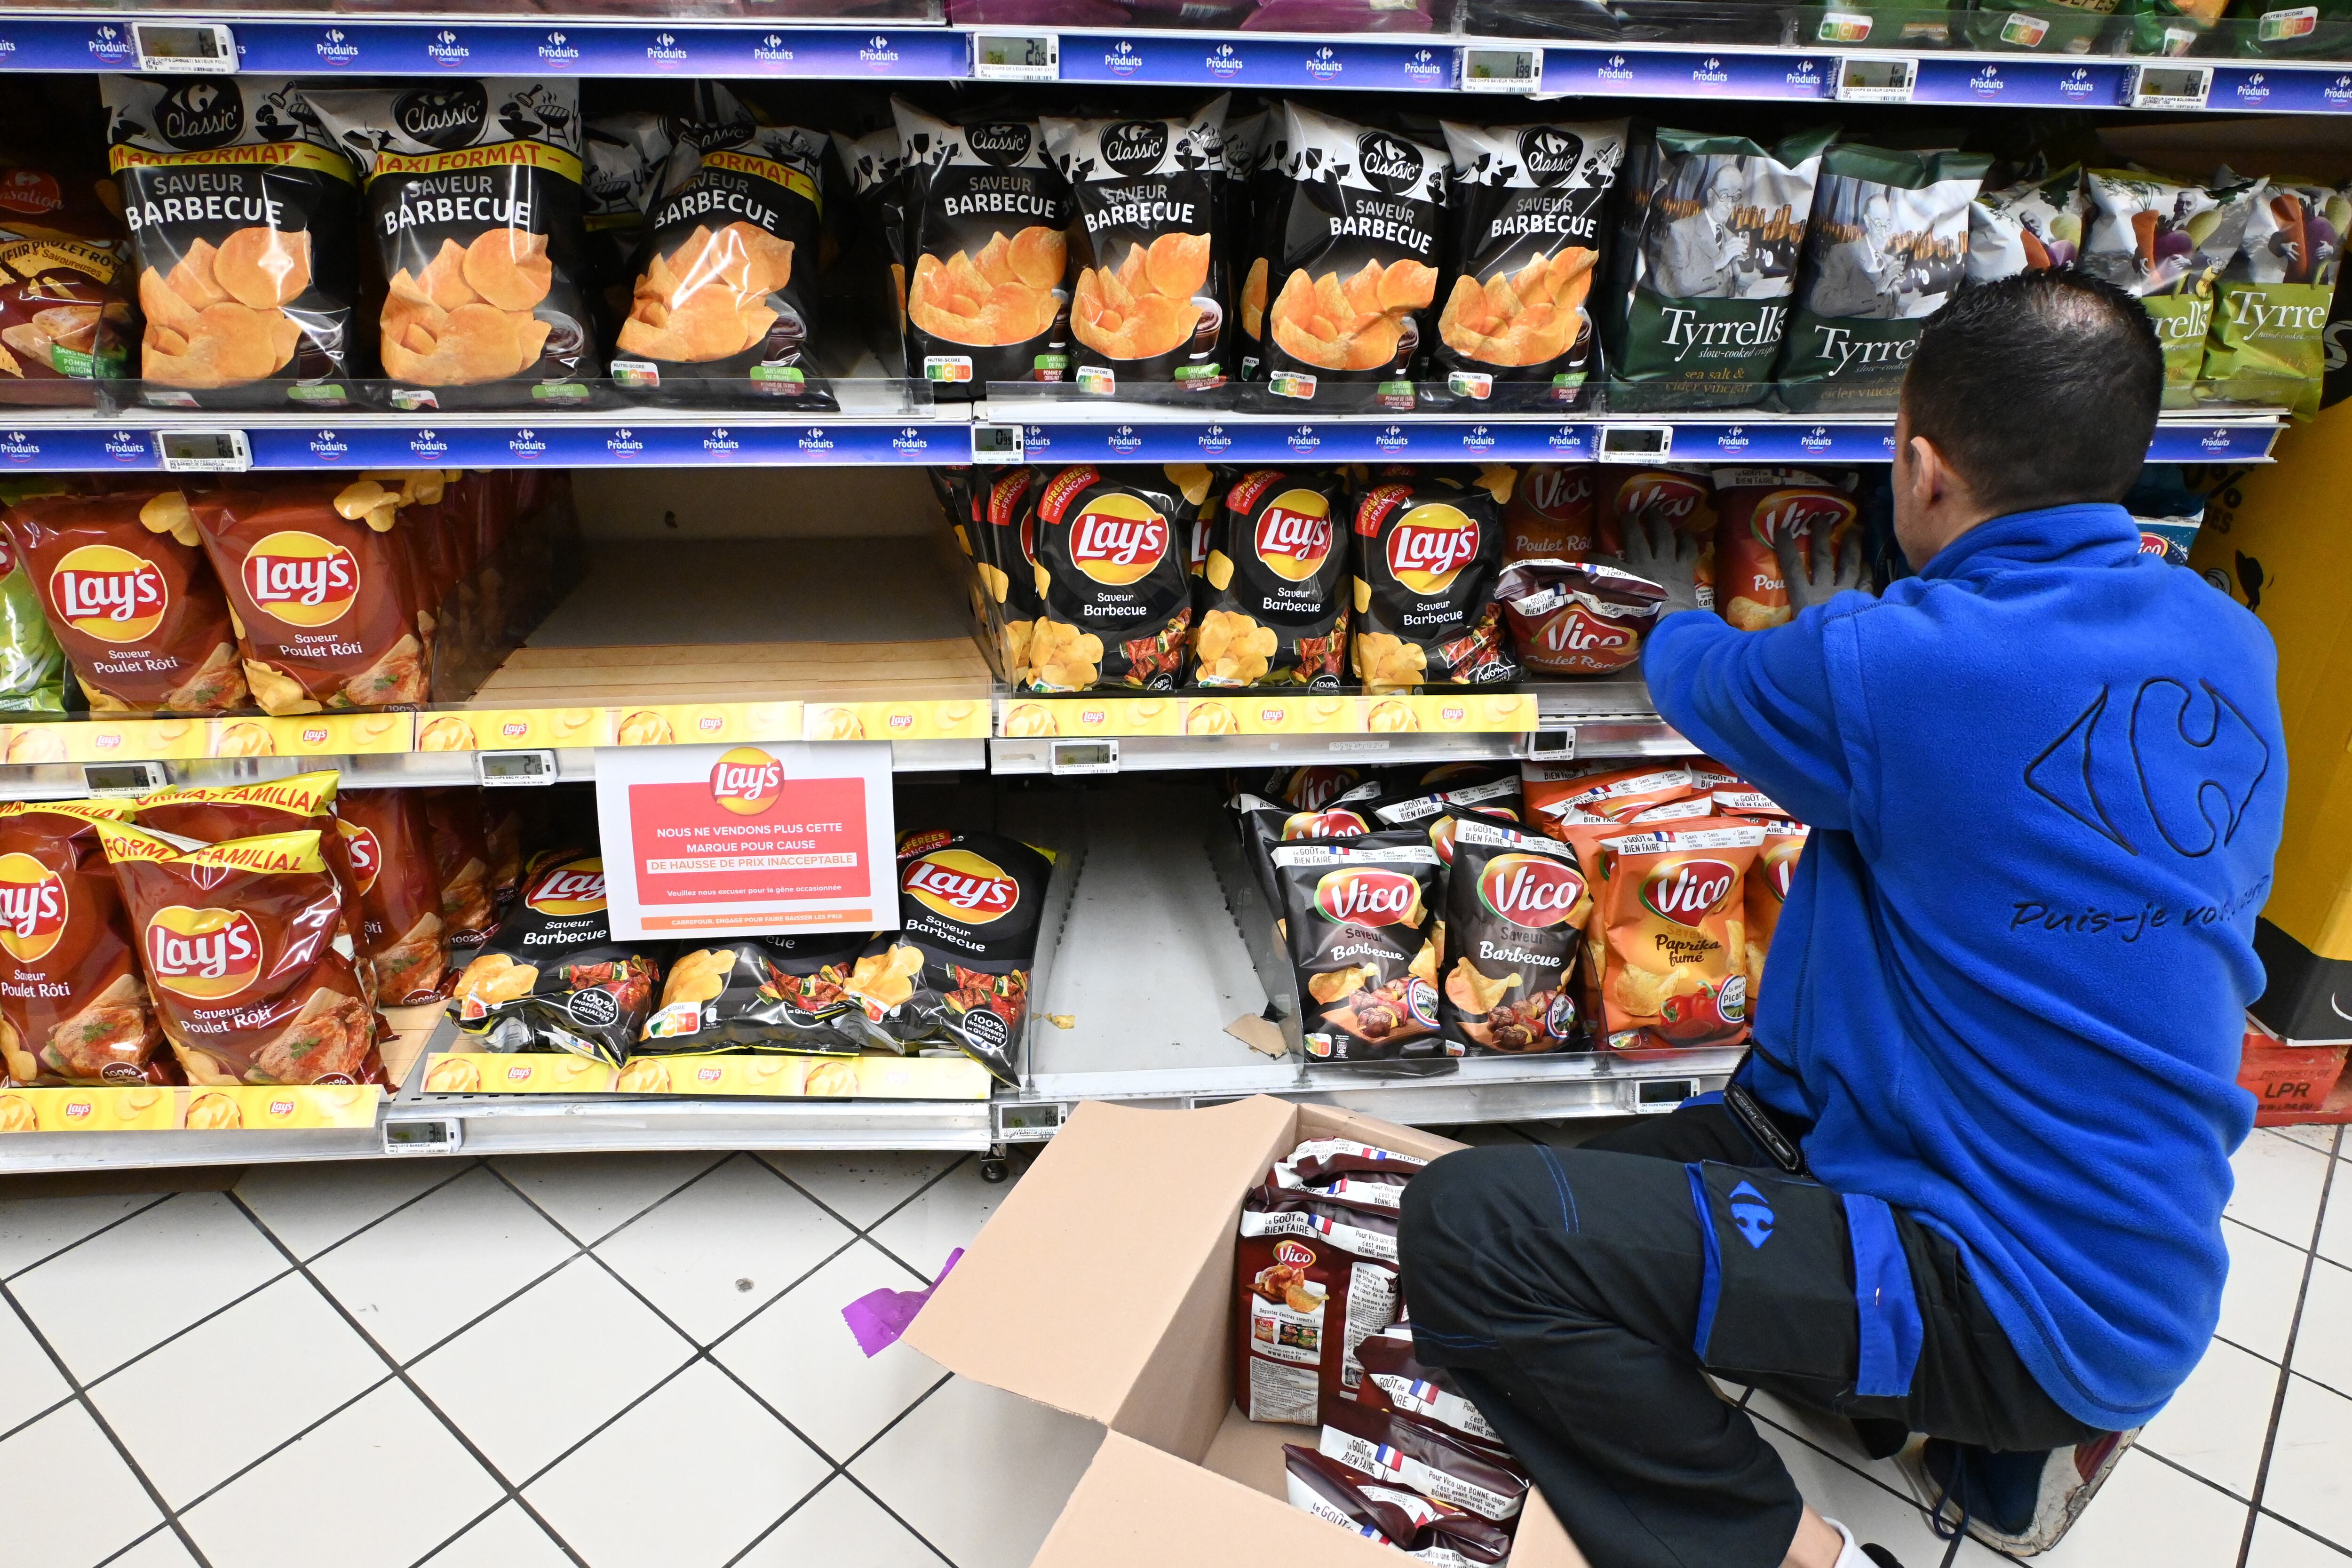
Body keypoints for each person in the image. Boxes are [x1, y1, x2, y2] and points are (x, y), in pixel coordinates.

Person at [1397, 269, 2285, 1568]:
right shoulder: (2229, 640)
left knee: (1469, 1228)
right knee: (1710, 1119)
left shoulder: (1896, 664)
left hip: (1999, 1292)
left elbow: (1702, 666)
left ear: (1922, 468)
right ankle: (1958, 1442)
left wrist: (1663, 608)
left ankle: (1795, 1550)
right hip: (2149, 1253)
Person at [1654, 162, 1760, 299]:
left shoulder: (1730, 236)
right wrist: (1716, 262)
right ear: (1710, 195)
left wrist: (1741, 288)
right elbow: (1671, 286)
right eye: (1724, 195)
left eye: (1735, 198)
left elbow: (1727, 286)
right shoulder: (1681, 230)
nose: (1730, 205)